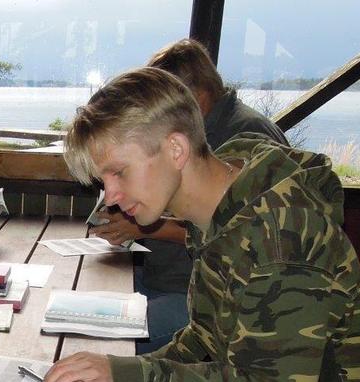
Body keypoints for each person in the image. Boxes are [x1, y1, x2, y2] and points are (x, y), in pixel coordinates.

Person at [46, 67, 360, 382]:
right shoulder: (222, 199)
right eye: (104, 181)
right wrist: (121, 373)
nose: (112, 196)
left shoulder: (280, 238)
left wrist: (133, 378)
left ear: (175, 148)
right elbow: (204, 340)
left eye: (118, 173)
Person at [90, 39, 290, 353]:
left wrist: (144, 227)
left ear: (193, 96)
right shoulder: (199, 140)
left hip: (182, 292)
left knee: (106, 341)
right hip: (167, 282)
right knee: (89, 311)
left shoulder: (247, 135)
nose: (111, 194)